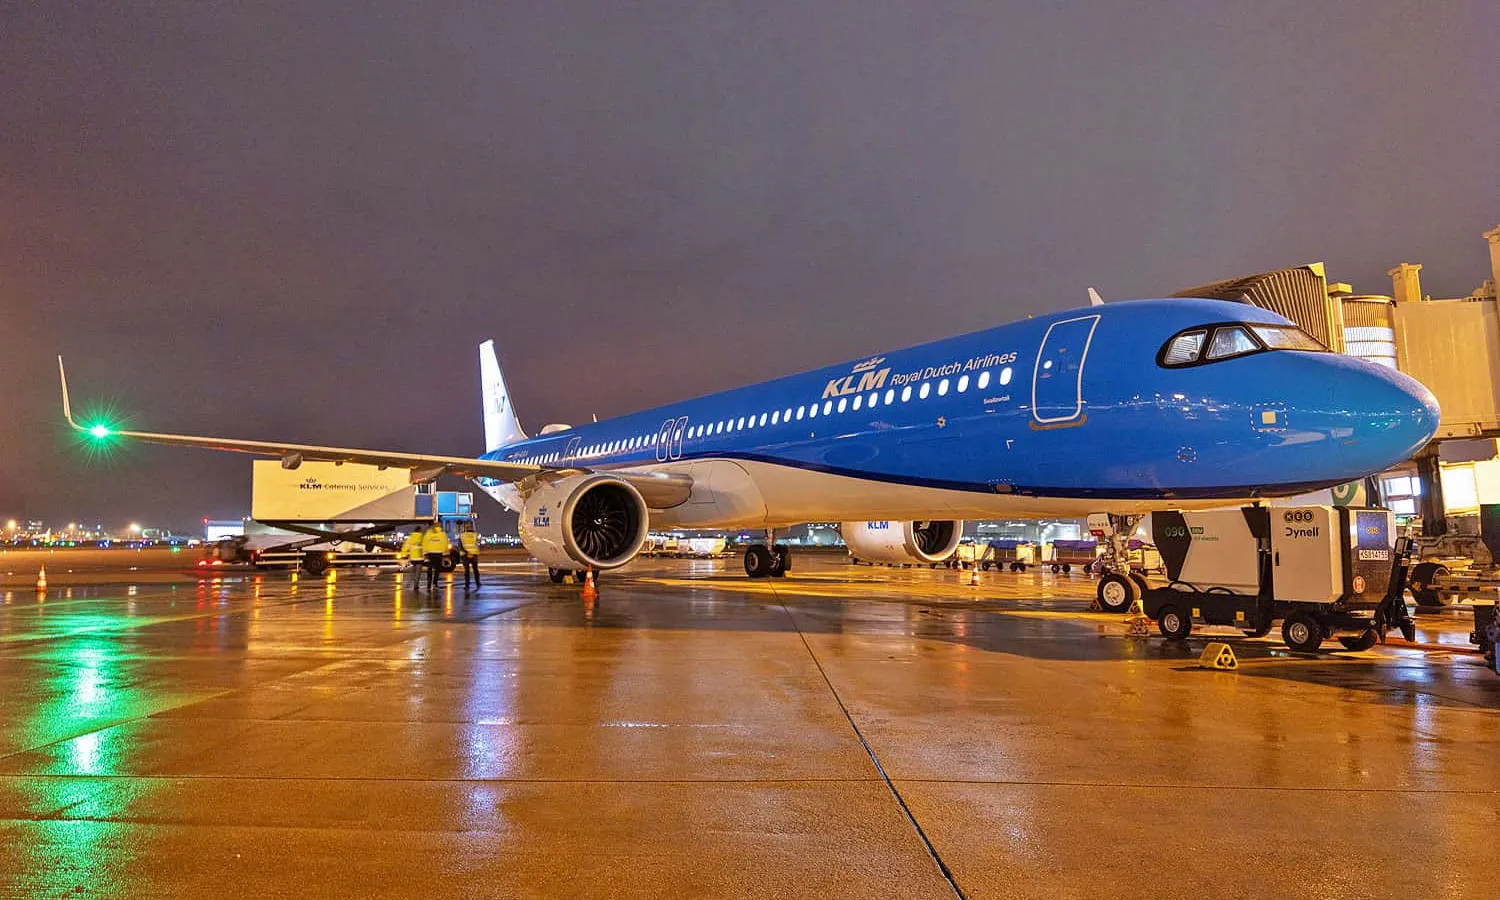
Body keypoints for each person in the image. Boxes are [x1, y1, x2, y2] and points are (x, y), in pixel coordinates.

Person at [420, 522, 451, 591]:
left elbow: (424, 543)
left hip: (430, 553)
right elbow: (445, 544)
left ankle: (429, 583)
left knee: (430, 569)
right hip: (439, 553)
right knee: (437, 569)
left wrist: (425, 553)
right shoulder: (442, 534)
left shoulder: (428, 533)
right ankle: (435, 584)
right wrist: (446, 554)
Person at [459, 522, 481, 589]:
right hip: (474, 554)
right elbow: (478, 544)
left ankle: (467, 585)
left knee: (467, 571)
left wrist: (467, 553)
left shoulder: (462, 535)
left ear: (465, 528)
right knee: (475, 570)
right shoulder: (475, 535)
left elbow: (461, 546)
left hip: (465, 555)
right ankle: (478, 583)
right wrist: (472, 553)